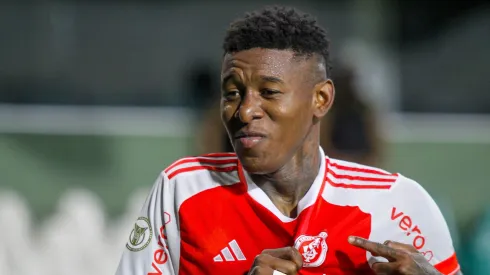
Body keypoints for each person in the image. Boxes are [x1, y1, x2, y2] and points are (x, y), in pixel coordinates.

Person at [115, 6, 461, 275]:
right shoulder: (183, 190)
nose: (245, 110)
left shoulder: (398, 205)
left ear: (321, 99)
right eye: (232, 93)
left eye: (268, 92)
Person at [320, 65, 383, 167]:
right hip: (339, 163)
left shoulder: (363, 109)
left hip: (363, 163)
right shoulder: (329, 111)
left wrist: (367, 160)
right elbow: (324, 144)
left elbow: (375, 144)